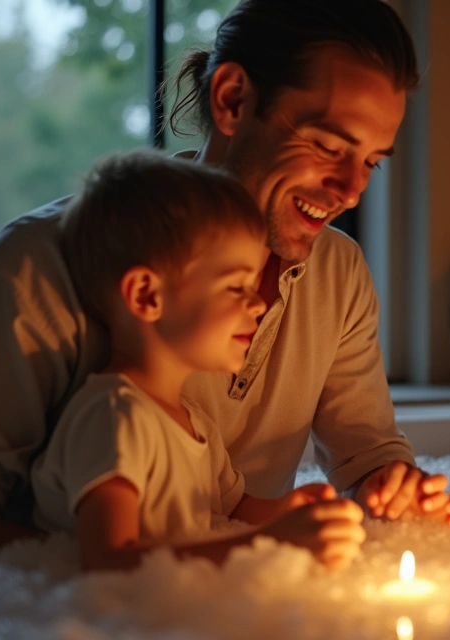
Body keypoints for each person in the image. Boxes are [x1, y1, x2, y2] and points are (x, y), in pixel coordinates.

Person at [0, 0, 450, 564]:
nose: (351, 189)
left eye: (371, 161)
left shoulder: (339, 272)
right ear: (233, 98)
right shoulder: (35, 263)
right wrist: (138, 569)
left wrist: (394, 486)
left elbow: (366, 458)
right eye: (329, 146)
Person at [33, 151, 366, 571]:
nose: (257, 305)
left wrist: (293, 509)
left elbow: (234, 509)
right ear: (146, 296)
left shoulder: (192, 421)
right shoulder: (114, 416)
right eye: (235, 287)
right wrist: (270, 539)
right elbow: (106, 562)